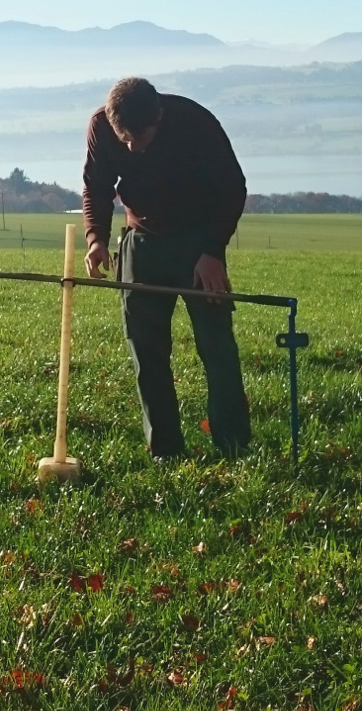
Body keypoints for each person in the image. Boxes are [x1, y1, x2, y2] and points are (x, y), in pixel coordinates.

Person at [82, 77, 251, 460]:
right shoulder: (101, 126)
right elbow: (96, 185)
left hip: (199, 244)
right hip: (140, 245)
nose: (129, 146)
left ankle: (234, 447)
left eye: (137, 138)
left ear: (157, 117)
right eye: (122, 137)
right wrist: (96, 240)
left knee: (217, 347)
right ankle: (166, 451)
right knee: (147, 353)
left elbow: (232, 188)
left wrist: (211, 251)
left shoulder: (195, 122)